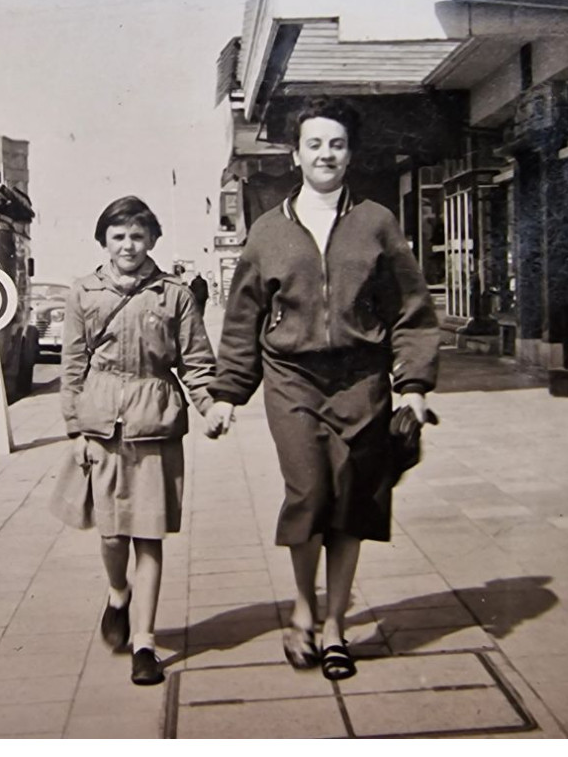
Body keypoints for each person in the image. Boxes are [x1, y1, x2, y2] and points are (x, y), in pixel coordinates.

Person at [206, 98, 440, 681]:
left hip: (362, 378)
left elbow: (411, 309)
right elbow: (242, 319)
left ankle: (334, 625)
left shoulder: (377, 222)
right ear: (296, 154)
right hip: (293, 379)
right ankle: (303, 609)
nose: (325, 154)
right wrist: (227, 394)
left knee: (351, 497)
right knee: (309, 490)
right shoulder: (267, 231)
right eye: (314, 144)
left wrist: (413, 385)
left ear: (350, 153)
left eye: (336, 144)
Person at [51, 196, 225, 686]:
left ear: (152, 240)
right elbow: (71, 366)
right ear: (104, 240)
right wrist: (75, 430)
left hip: (156, 423)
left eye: (138, 236)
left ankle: (144, 642)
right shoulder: (84, 293)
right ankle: (117, 594)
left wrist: (210, 407)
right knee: (112, 536)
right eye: (119, 236)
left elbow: (196, 363)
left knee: (148, 536)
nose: (128, 245)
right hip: (102, 425)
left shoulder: (174, 295)